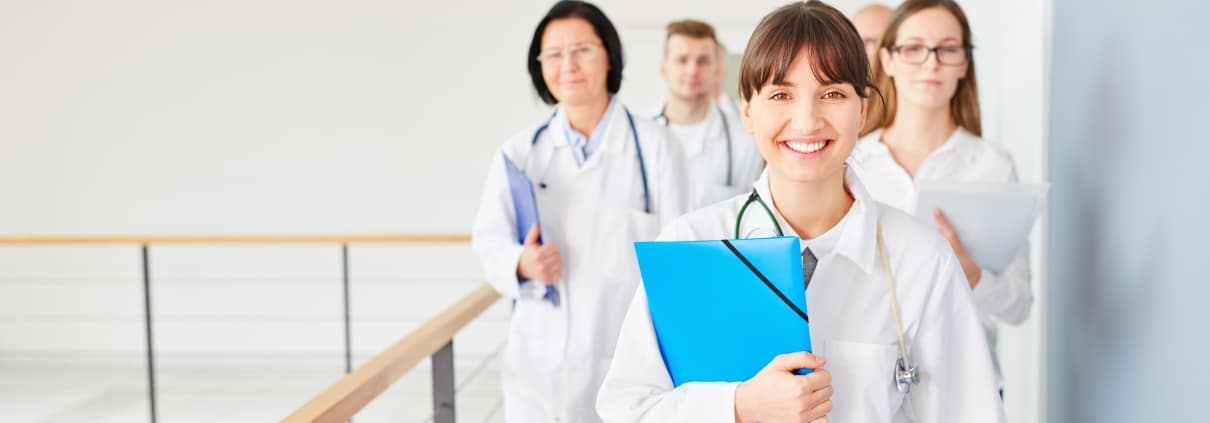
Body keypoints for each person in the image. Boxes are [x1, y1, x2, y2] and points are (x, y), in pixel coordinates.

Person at [596, 1, 1004, 421]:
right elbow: (627, 408)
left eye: (832, 94)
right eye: (781, 95)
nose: (807, 121)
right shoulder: (688, 244)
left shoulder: (921, 260)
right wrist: (736, 406)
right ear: (748, 110)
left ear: (862, 110)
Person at [471, 1, 690, 421]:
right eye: (553, 54)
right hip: (541, 363)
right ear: (540, 67)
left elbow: (679, 256)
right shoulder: (519, 154)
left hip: (631, 356)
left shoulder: (658, 148)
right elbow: (489, 240)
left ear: (608, 54)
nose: (567, 64)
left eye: (582, 50)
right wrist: (522, 262)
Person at [853, 0, 1033, 394]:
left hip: (967, 385)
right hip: (868, 390)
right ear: (887, 60)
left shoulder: (992, 166)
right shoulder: (853, 164)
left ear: (964, 64)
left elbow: (1020, 305)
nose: (931, 63)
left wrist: (975, 278)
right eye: (914, 48)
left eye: (948, 49)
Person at [655, 19, 764, 208]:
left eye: (703, 61)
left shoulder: (746, 139)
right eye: (682, 60)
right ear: (664, 69)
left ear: (717, 70)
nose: (692, 70)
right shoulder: (638, 136)